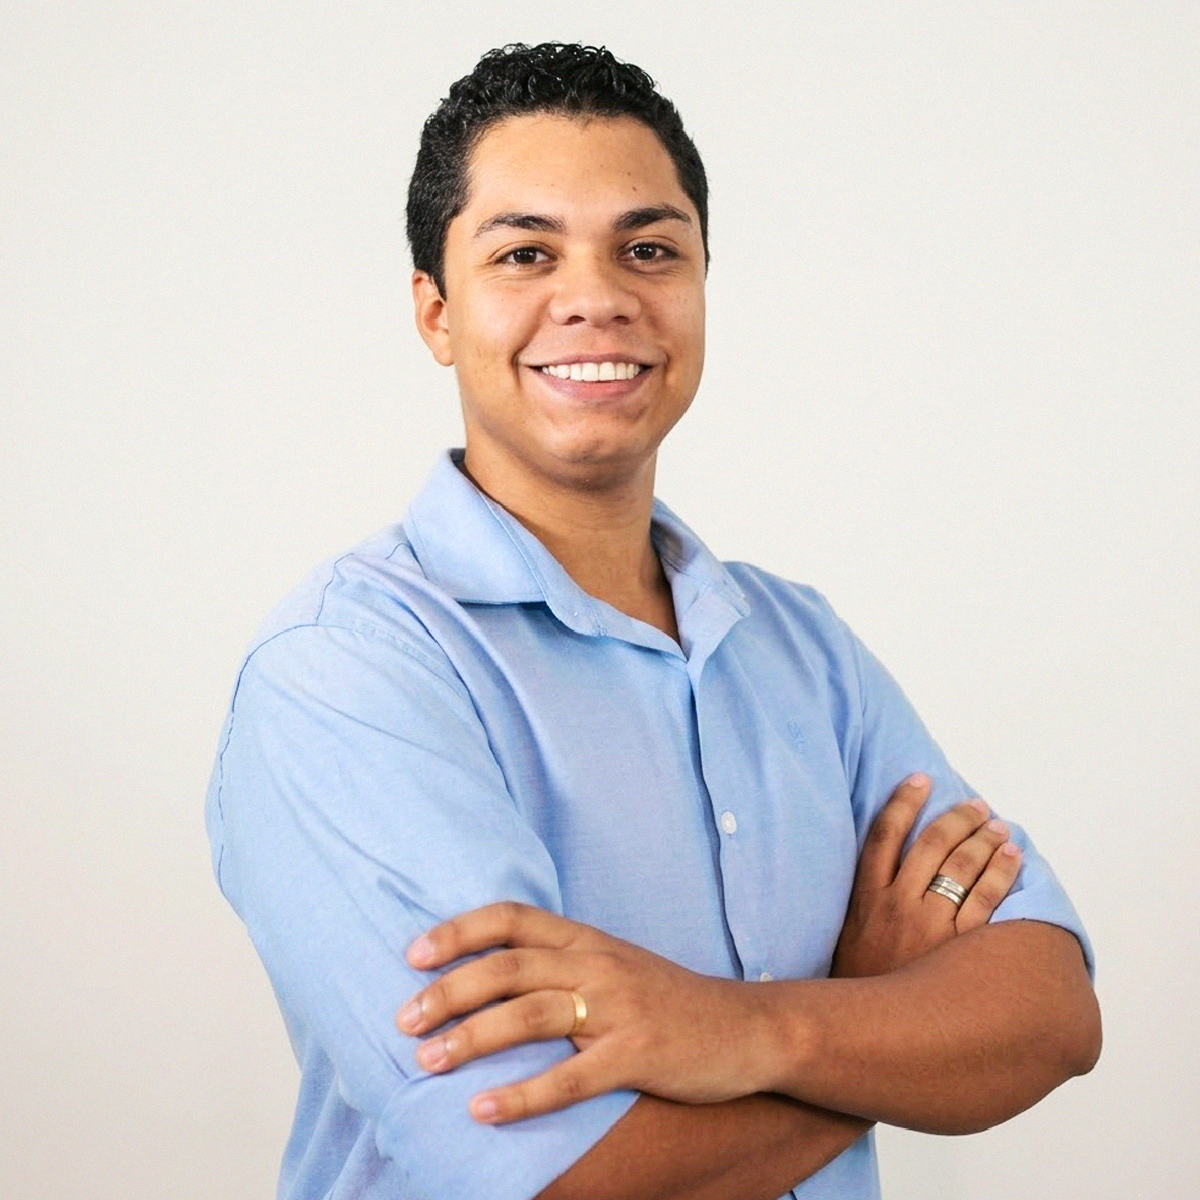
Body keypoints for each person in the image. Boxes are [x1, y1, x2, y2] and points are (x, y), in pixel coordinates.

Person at [206, 43, 1100, 1200]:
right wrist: (871, 1009)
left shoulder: (804, 649)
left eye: (650, 249)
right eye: (525, 252)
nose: (598, 297)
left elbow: (1052, 1016)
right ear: (435, 311)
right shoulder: (344, 673)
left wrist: (755, 1031)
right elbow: (553, 1173)